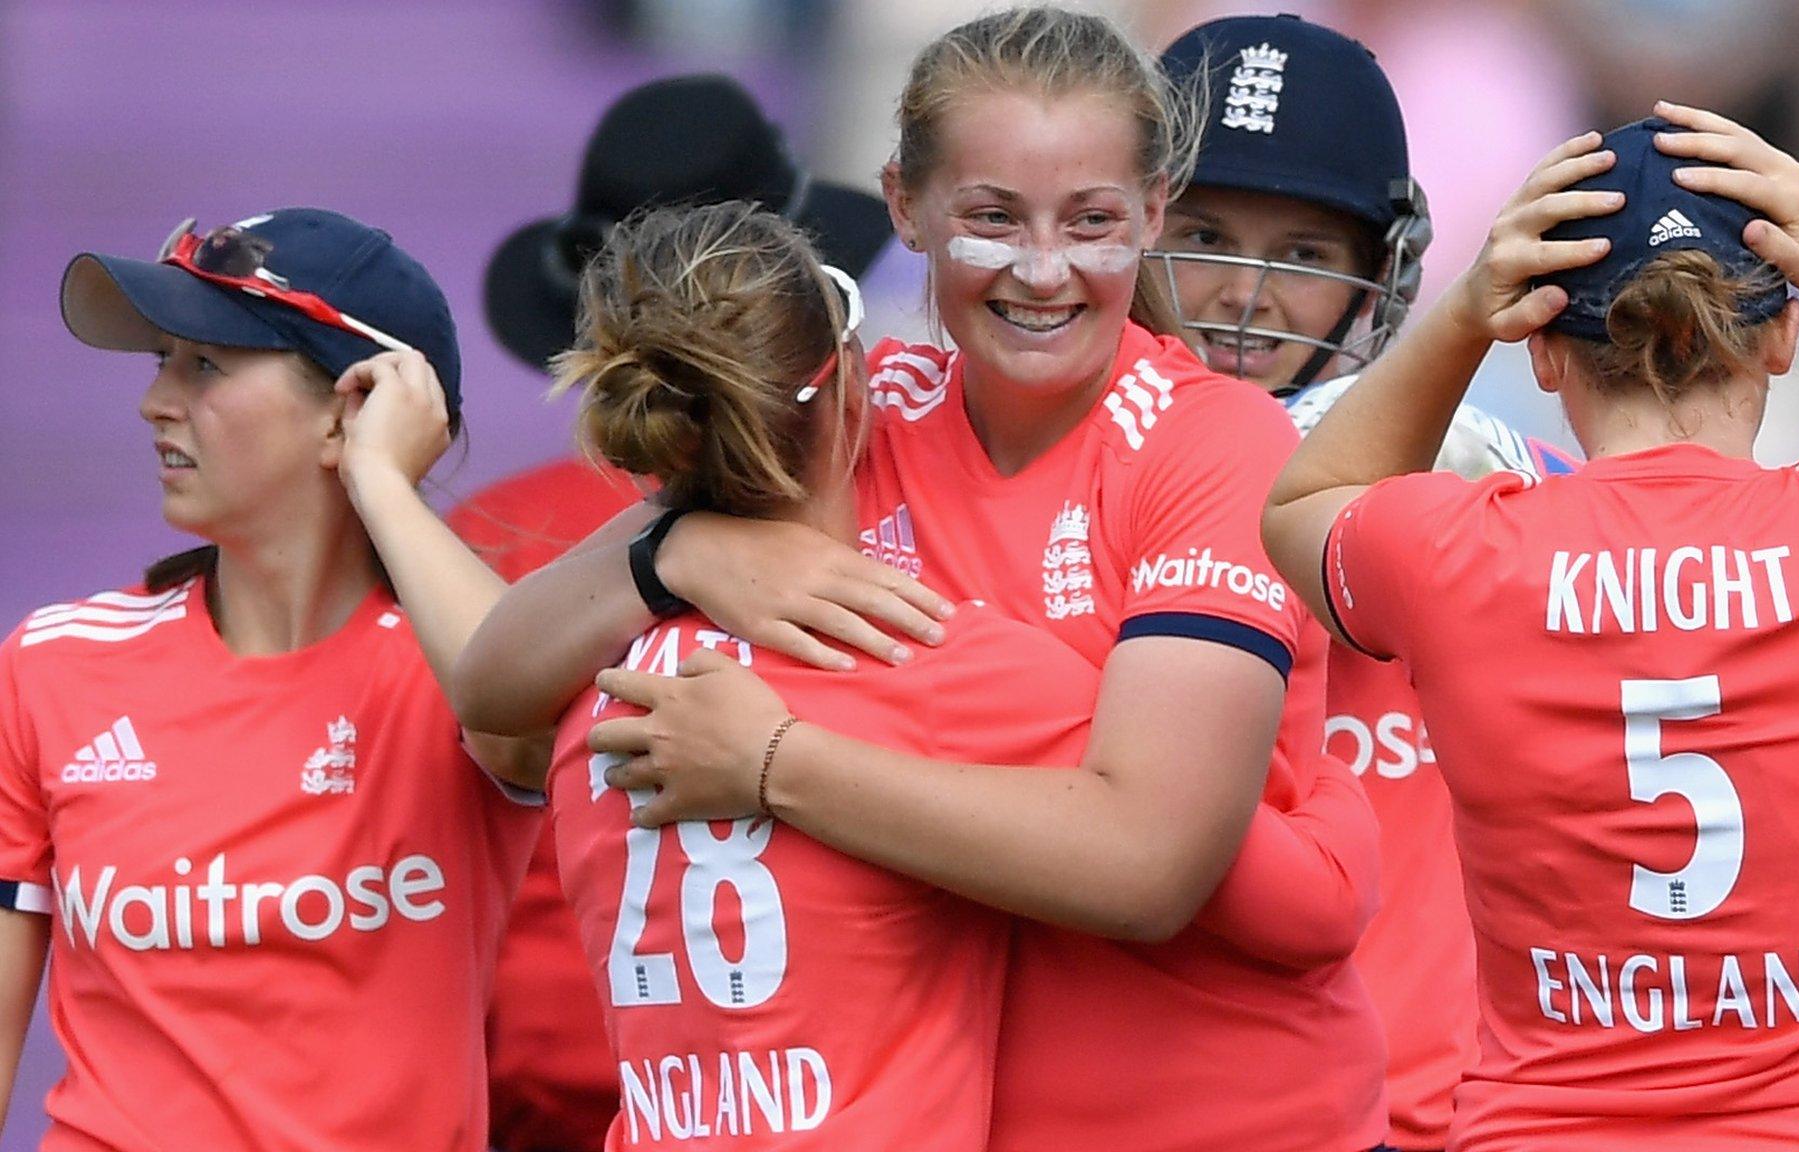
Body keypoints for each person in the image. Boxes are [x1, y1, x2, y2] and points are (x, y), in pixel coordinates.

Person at [455, 8, 1387, 1151]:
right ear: (903, 205)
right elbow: (493, 683)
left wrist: (775, 764)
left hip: (1224, 1120)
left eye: (1090, 221)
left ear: (1151, 212)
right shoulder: (856, 408)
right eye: (991, 218)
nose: (1043, 271)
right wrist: (673, 553)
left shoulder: (1214, 442)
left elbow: (1147, 867)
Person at [1263, 104, 1799, 1150]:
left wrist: (1460, 317)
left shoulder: (1460, 555)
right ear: (1781, 334)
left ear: (1540, 353)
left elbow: (1300, 502)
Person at [521, 200, 1099, 1150]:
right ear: (856, 386)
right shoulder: (925, 655)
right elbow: (1177, 846)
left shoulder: (587, 680)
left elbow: (487, 693)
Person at [0, 209, 546, 1149]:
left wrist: (379, 478)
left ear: (353, 404)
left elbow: (521, 718)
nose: (156, 401)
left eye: (204, 365)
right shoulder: (54, 662)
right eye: (160, 360)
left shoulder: (455, 667)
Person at [457, 74, 906, 1152]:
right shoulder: (903, 494)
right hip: (824, 1083)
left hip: (563, 1077)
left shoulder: (492, 532)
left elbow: (496, 723)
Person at [1149, 16, 1574, 1149]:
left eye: (1299, 255)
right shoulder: (1040, 478)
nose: (1241, 294)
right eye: (1199, 233)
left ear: (1377, 273)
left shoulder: (1504, 483)